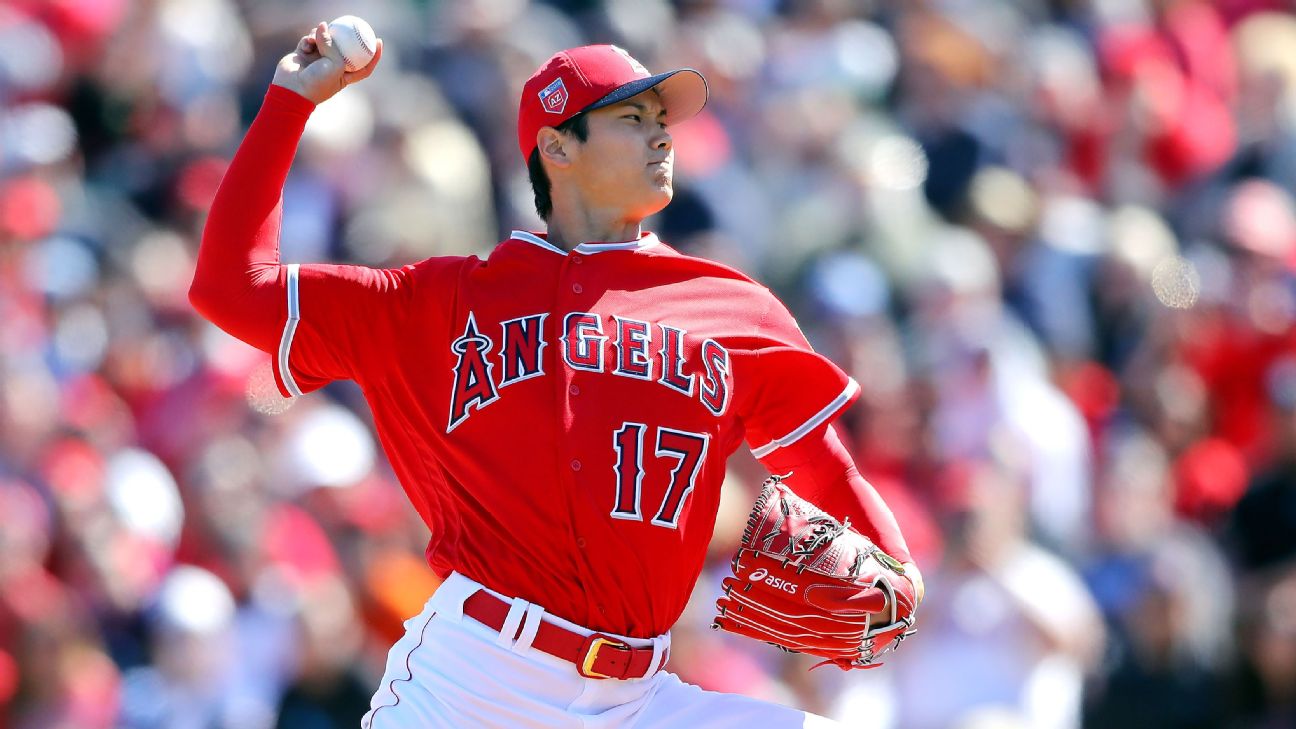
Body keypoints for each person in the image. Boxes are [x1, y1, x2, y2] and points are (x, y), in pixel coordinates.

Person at [190, 21, 923, 728]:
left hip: (642, 696)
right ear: (556, 146)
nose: (663, 132)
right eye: (631, 118)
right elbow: (230, 285)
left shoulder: (734, 309)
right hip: (477, 683)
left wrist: (894, 564)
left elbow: (820, 464)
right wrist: (291, 103)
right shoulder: (433, 304)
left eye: (661, 117)